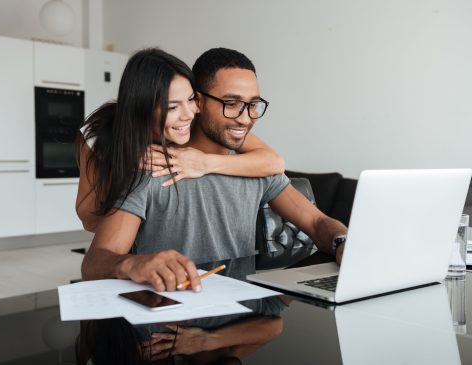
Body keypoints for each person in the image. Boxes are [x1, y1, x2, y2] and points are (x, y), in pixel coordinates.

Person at [81, 48, 348, 292]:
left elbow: (317, 222)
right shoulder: (152, 166)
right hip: (171, 328)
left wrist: (341, 242)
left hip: (239, 321)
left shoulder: (255, 169)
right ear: (200, 101)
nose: (245, 118)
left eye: (252, 104)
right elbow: (95, 260)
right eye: (231, 104)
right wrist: (131, 264)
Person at [76, 49, 284, 233]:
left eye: (191, 99)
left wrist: (203, 162)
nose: (189, 114)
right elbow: (89, 221)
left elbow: (274, 162)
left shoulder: (194, 119)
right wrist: (126, 168)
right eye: (172, 107)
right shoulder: (99, 135)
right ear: (144, 108)